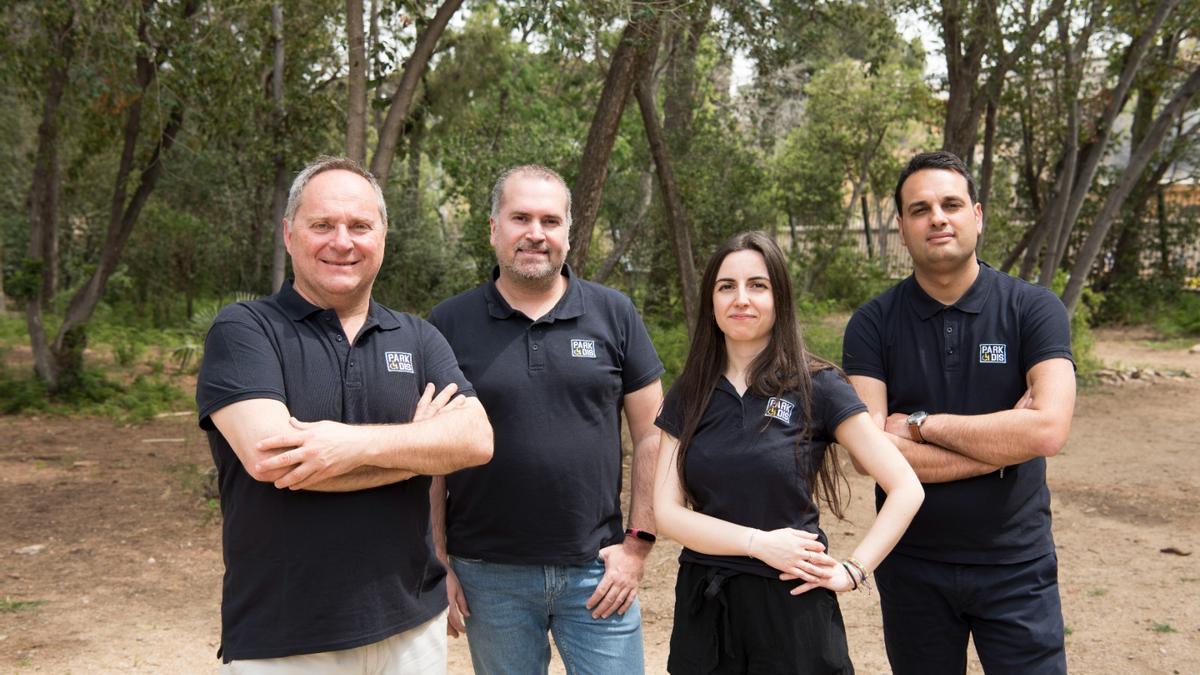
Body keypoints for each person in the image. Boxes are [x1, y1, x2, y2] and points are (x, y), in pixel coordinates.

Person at [196, 156, 493, 672]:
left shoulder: (418, 337)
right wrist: (423, 449)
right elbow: (277, 462)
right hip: (286, 637)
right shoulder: (245, 329)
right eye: (322, 225)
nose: (342, 241)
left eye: (360, 226)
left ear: (382, 236)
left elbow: (476, 440)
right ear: (290, 235)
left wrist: (345, 446)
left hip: (412, 626)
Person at [842, 151, 1077, 674]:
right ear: (902, 228)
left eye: (950, 204)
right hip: (911, 563)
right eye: (920, 209)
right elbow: (868, 456)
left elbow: (1047, 430)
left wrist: (922, 426)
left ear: (977, 215)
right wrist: (1002, 446)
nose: (937, 218)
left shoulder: (1033, 309)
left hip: (1017, 563)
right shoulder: (872, 324)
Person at [427, 165, 664, 674]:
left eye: (550, 221)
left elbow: (653, 436)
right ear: (494, 229)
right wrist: (438, 558)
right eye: (521, 218)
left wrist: (638, 547)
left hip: (598, 572)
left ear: (568, 234)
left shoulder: (614, 314)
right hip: (488, 576)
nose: (536, 233)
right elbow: (432, 455)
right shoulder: (448, 323)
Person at [653, 231, 924, 674]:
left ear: (779, 297)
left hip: (793, 609)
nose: (741, 299)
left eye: (757, 285)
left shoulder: (819, 385)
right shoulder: (689, 392)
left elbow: (905, 488)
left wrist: (853, 571)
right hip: (706, 610)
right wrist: (758, 543)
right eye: (727, 286)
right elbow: (666, 513)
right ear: (711, 301)